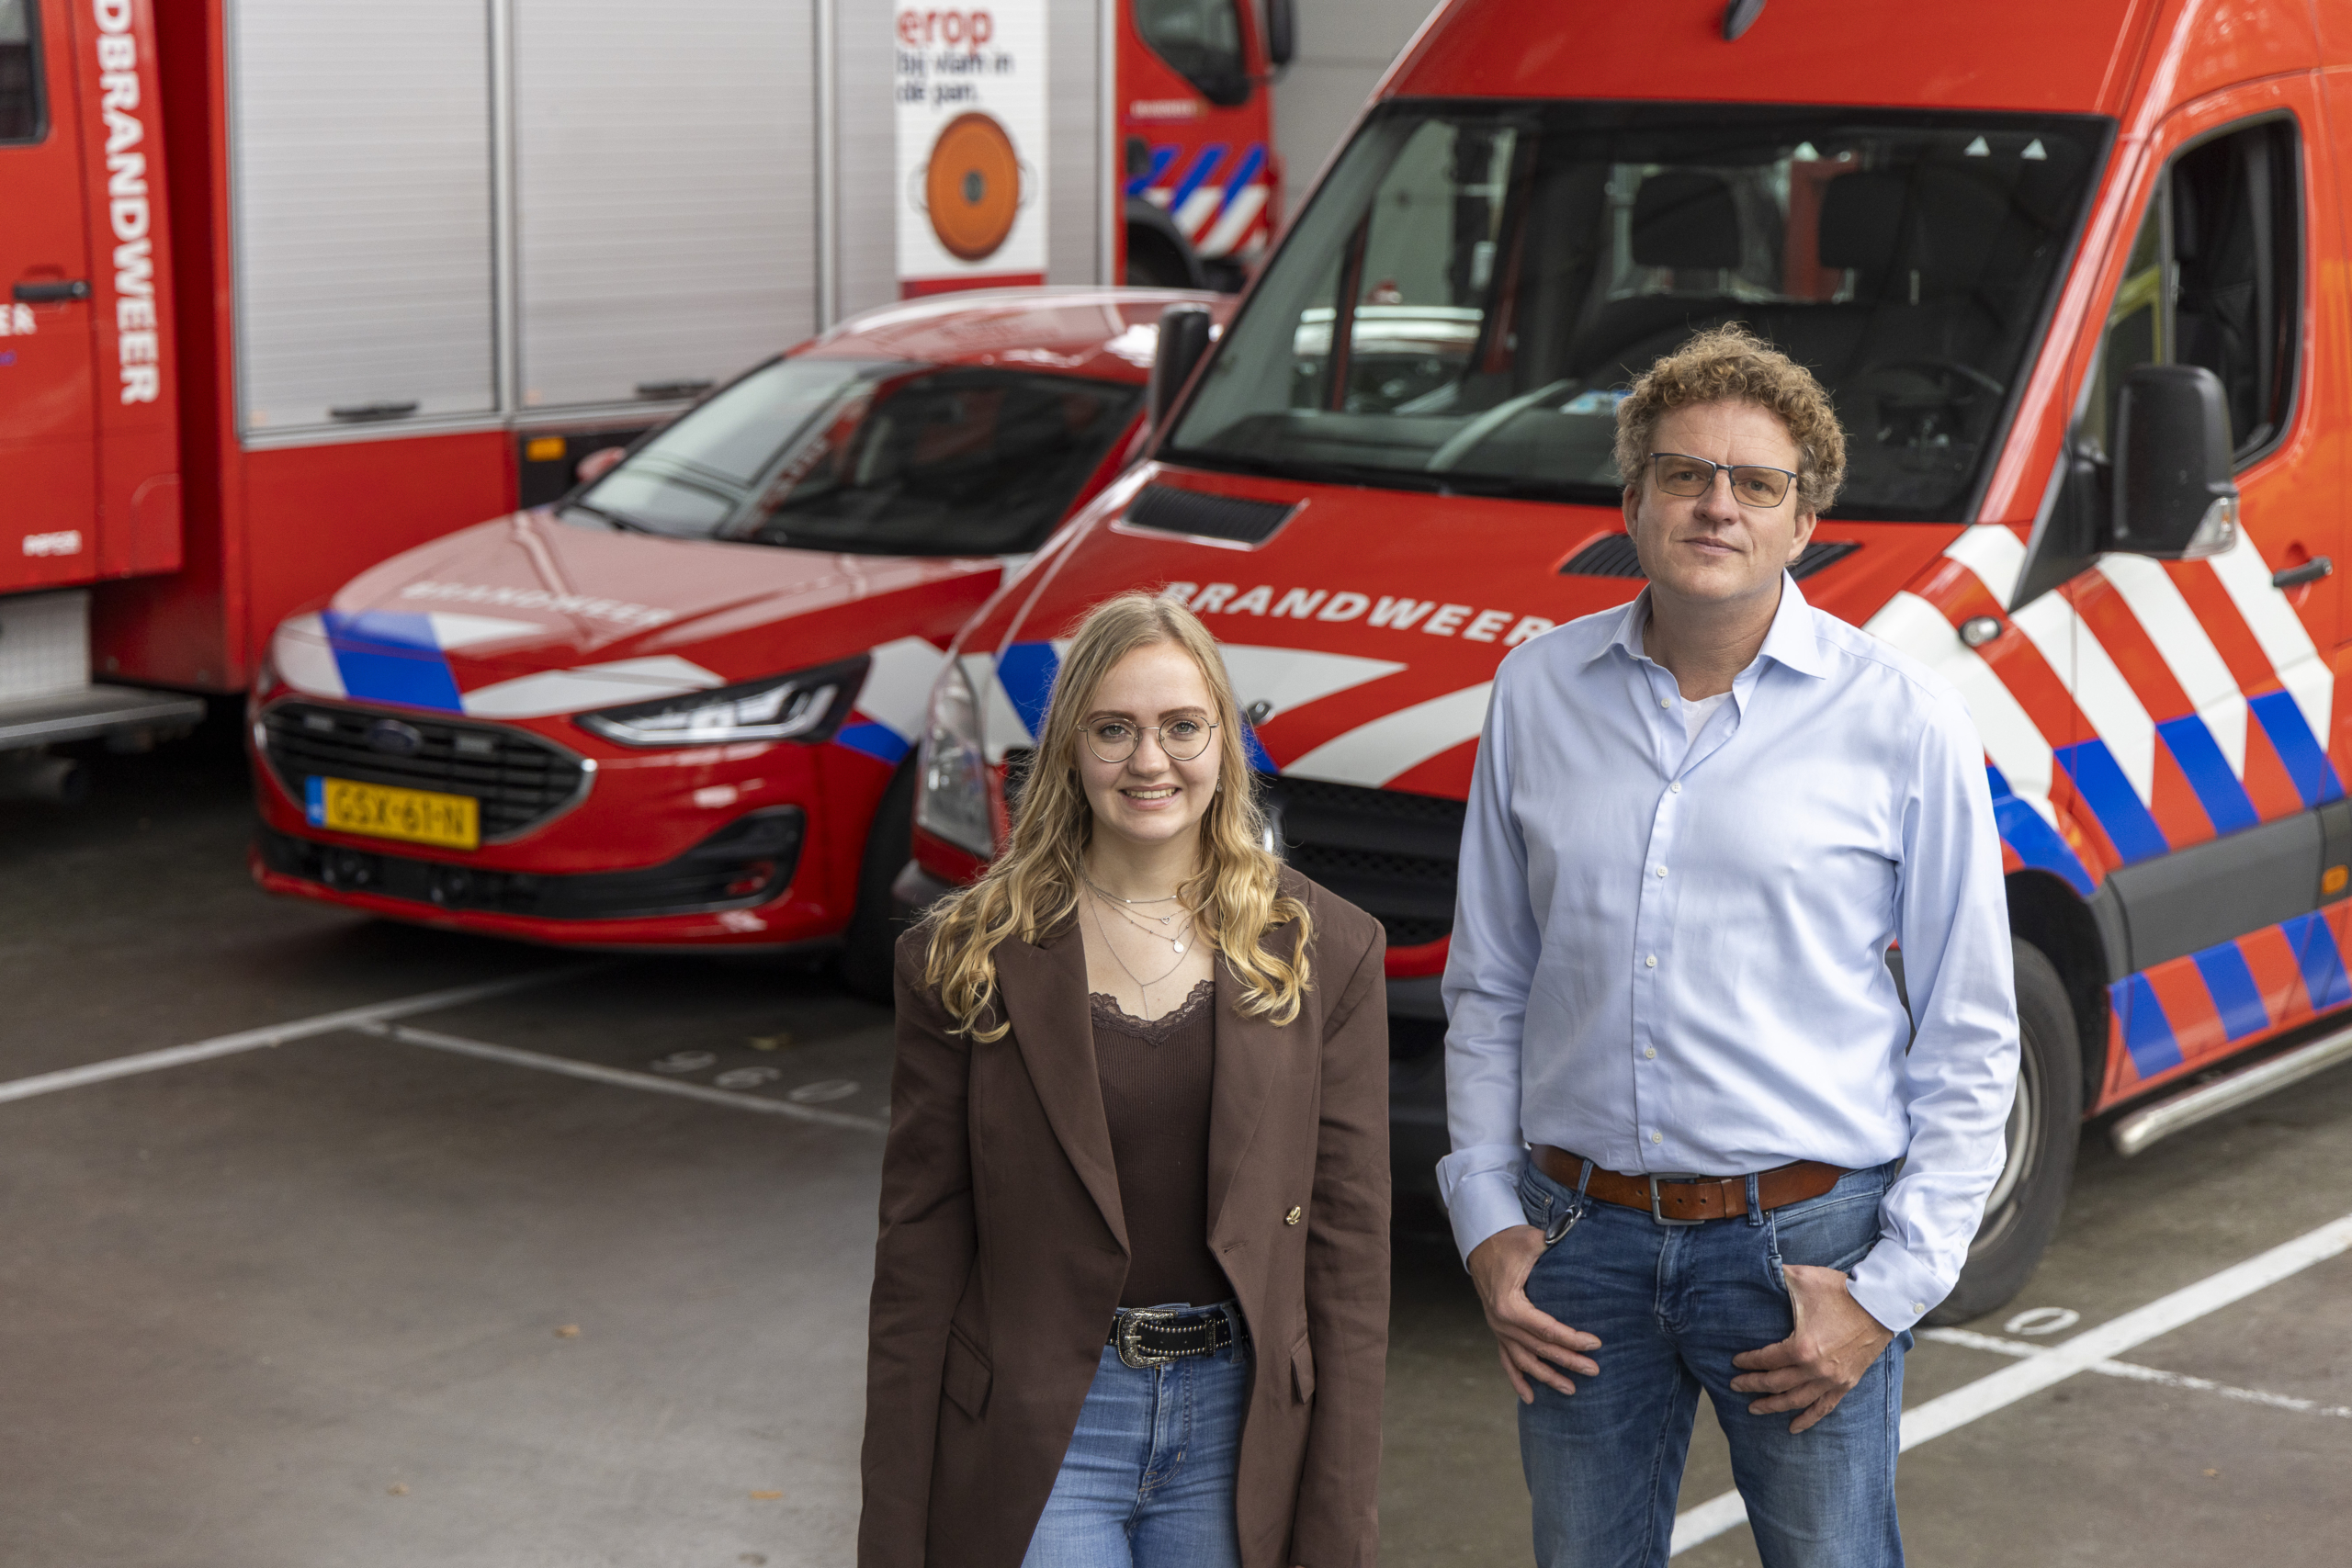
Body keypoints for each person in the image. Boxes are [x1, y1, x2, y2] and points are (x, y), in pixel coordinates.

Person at [1441, 324, 2019, 1568]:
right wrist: (1486, 1219)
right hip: (1575, 1247)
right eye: (1683, 471)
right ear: (1633, 496)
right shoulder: (1535, 690)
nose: (1716, 503)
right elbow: (1490, 980)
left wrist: (1890, 1288)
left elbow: (1970, 1028)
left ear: (1804, 519)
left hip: (1808, 1248)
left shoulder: (1902, 715)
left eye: (1755, 482)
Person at [861, 592, 1391, 1568]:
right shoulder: (962, 957)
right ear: (1069, 748)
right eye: (1114, 729)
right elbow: (918, 1256)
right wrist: (892, 1526)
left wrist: (1339, 1512)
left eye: (1182, 727)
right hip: (1041, 1423)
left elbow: (1347, 1259)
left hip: (1238, 1432)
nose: (1150, 761)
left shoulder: (1327, 950)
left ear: (1225, 744)